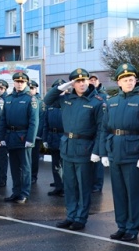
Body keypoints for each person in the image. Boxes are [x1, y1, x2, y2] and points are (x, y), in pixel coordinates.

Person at [44, 68, 106, 231]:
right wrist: (64, 87)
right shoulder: (66, 99)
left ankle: (80, 217)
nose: (82, 83)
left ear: (89, 82)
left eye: (84, 80)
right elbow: (48, 99)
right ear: (73, 83)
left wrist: (97, 151)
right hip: (67, 147)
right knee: (69, 185)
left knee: (83, 186)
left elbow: (101, 129)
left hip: (85, 148)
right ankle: (70, 215)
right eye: (77, 81)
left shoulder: (97, 101)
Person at [100, 63, 139, 242]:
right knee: (118, 192)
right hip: (115, 151)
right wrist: (103, 153)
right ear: (119, 82)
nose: (129, 82)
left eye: (131, 79)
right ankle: (121, 225)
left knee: (132, 192)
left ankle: (132, 227)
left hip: (134, 153)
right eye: (125, 79)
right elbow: (104, 129)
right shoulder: (111, 102)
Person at [1, 71, 39, 204]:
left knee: (25, 167)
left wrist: (30, 139)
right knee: (14, 167)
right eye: (17, 81)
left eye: (22, 82)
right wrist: (3, 136)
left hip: (24, 137)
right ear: (14, 82)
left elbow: (34, 121)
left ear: (26, 83)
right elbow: (3, 119)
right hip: (11, 136)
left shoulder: (30, 99)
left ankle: (24, 193)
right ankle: (16, 192)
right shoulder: (9, 98)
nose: (19, 84)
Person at [42, 80, 65, 197]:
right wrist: (45, 139)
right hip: (52, 136)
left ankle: (66, 187)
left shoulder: (67, 102)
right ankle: (58, 186)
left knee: (65, 164)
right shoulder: (50, 104)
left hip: (64, 137)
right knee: (55, 164)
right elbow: (45, 123)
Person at [89, 73, 107, 194]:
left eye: (95, 80)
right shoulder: (89, 95)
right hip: (89, 132)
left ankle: (98, 184)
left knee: (98, 161)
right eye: (91, 80)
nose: (93, 82)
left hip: (99, 131)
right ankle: (91, 183)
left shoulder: (103, 96)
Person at [28, 80, 43, 183]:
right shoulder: (26, 99)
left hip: (35, 134)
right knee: (25, 158)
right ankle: (26, 175)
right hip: (25, 134)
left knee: (34, 157)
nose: (30, 90)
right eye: (29, 88)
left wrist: (38, 134)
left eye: (32, 88)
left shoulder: (40, 101)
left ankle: (33, 176)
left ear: (36, 89)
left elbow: (41, 119)